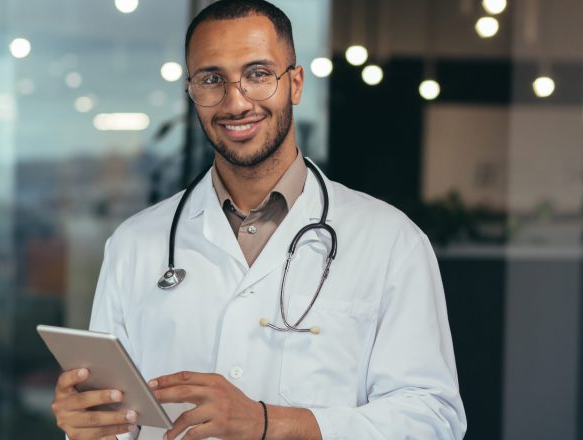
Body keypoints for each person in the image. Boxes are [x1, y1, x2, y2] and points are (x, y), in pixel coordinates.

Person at [50, 1, 467, 439]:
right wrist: (90, 425)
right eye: (212, 79)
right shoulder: (134, 244)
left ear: (296, 83)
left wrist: (269, 423)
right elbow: (118, 425)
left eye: (258, 74)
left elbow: (432, 419)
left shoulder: (390, 241)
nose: (235, 101)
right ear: (192, 91)